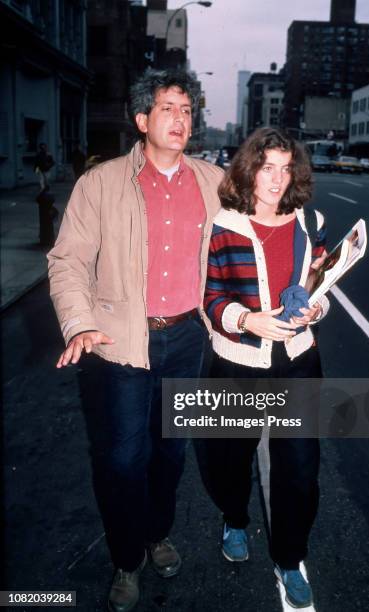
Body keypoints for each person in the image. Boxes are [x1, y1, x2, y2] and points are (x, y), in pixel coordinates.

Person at [47, 68, 223, 612]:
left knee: (170, 455)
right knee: (124, 460)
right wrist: (78, 322)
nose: (180, 119)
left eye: (187, 110)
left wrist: (305, 269)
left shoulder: (214, 182)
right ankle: (126, 559)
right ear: (142, 119)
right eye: (168, 108)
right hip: (120, 342)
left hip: (188, 339)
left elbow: (255, 236)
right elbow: (68, 260)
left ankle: (157, 533)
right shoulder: (99, 185)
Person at [203, 128, 329, 609]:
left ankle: (290, 556)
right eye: (266, 167)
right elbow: (211, 297)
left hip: (297, 361)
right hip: (238, 361)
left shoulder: (310, 221)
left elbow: (320, 281)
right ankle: (235, 520)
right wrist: (247, 319)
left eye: (285, 168)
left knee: (300, 469)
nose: (277, 179)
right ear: (249, 169)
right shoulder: (224, 225)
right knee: (228, 460)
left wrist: (316, 309)